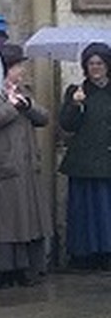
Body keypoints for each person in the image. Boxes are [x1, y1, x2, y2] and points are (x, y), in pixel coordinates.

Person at [0, 43, 50, 287]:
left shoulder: (23, 91)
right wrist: (11, 108)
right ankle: (4, 273)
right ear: (6, 68)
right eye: (18, 67)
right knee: (4, 223)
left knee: (27, 220)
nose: (22, 71)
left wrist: (27, 105)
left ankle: (28, 269)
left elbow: (43, 118)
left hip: (25, 167)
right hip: (0, 170)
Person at [58, 41, 111, 269]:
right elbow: (67, 125)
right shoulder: (76, 91)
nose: (95, 68)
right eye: (91, 64)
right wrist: (74, 105)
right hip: (83, 161)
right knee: (85, 212)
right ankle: (84, 255)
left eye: (100, 63)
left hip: (107, 159)